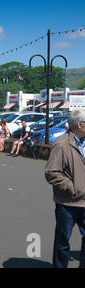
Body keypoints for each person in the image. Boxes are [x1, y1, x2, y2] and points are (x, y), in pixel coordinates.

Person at [45, 109, 85, 268]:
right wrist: (73, 187)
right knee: (63, 241)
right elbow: (52, 173)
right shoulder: (61, 144)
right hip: (68, 203)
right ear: (80, 125)